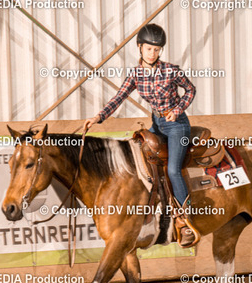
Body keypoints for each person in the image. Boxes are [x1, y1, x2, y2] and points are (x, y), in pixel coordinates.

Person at [83, 23, 199, 247]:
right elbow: (119, 97)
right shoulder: (135, 75)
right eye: (148, 49)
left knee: (173, 170)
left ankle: (185, 221)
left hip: (177, 125)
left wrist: (177, 110)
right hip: (157, 123)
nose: (152, 53)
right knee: (137, 156)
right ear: (139, 47)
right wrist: (99, 117)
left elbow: (191, 90)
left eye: (156, 49)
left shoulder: (171, 70)